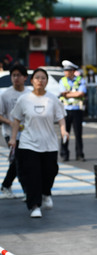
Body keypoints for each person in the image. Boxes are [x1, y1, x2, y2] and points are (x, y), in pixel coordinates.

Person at [9, 68, 69, 218]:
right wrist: (13, 138)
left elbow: (61, 117)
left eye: (43, 78)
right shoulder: (24, 99)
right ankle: (34, 205)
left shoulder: (52, 99)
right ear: (32, 80)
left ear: (47, 81)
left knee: (50, 172)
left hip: (49, 143)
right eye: (37, 78)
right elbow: (16, 120)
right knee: (32, 175)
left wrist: (64, 131)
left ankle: (46, 192)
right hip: (28, 143)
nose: (40, 81)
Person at [0, 64, 30, 199]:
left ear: (25, 77)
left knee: (18, 161)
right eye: (13, 75)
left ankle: (6, 185)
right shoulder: (5, 94)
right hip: (10, 134)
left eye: (19, 75)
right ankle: (27, 191)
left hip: (27, 133)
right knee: (20, 161)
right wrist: (10, 122)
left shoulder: (29, 94)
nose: (16, 78)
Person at [59, 60, 86, 162]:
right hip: (65, 110)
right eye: (65, 70)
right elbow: (62, 93)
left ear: (73, 71)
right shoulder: (62, 81)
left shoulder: (80, 80)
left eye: (68, 70)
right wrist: (74, 93)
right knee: (65, 133)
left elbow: (81, 94)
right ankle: (64, 154)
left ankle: (80, 154)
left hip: (77, 110)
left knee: (78, 134)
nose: (66, 72)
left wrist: (68, 93)